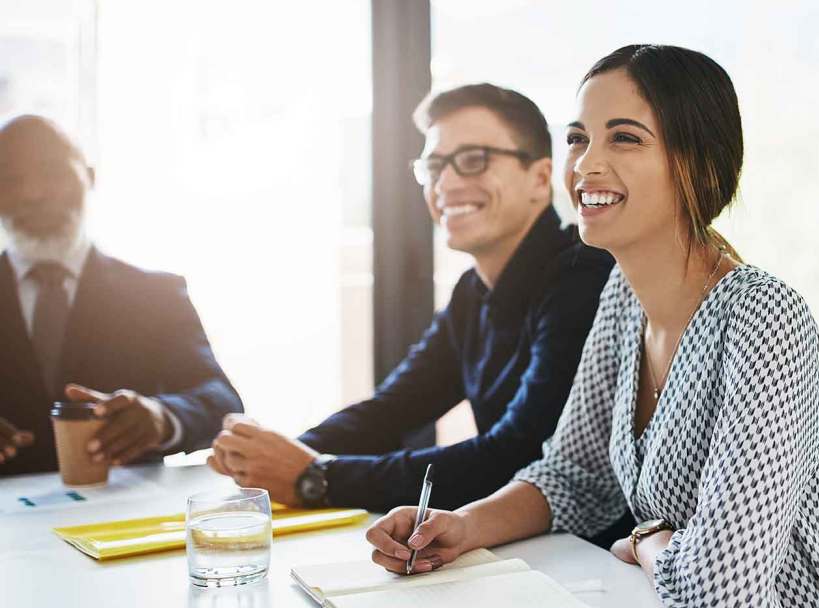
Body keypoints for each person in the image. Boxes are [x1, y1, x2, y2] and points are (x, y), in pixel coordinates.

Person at [363, 46, 819, 608]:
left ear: (695, 166)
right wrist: (464, 527)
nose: (587, 164)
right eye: (579, 139)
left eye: (625, 139)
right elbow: (575, 476)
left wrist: (645, 542)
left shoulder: (764, 318)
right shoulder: (621, 298)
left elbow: (725, 594)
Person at [210, 84, 614, 515]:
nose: (448, 182)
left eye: (474, 160)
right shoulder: (473, 292)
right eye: (435, 165)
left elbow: (516, 456)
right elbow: (392, 409)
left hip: (592, 556)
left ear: (539, 178)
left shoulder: (581, 278)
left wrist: (318, 477)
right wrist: (274, 456)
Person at [0, 115, 243, 476]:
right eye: (10, 179)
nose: (33, 194)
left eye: (53, 173)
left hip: (126, 519)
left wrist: (162, 417)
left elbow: (221, 400)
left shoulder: (155, 295)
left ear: (90, 177)